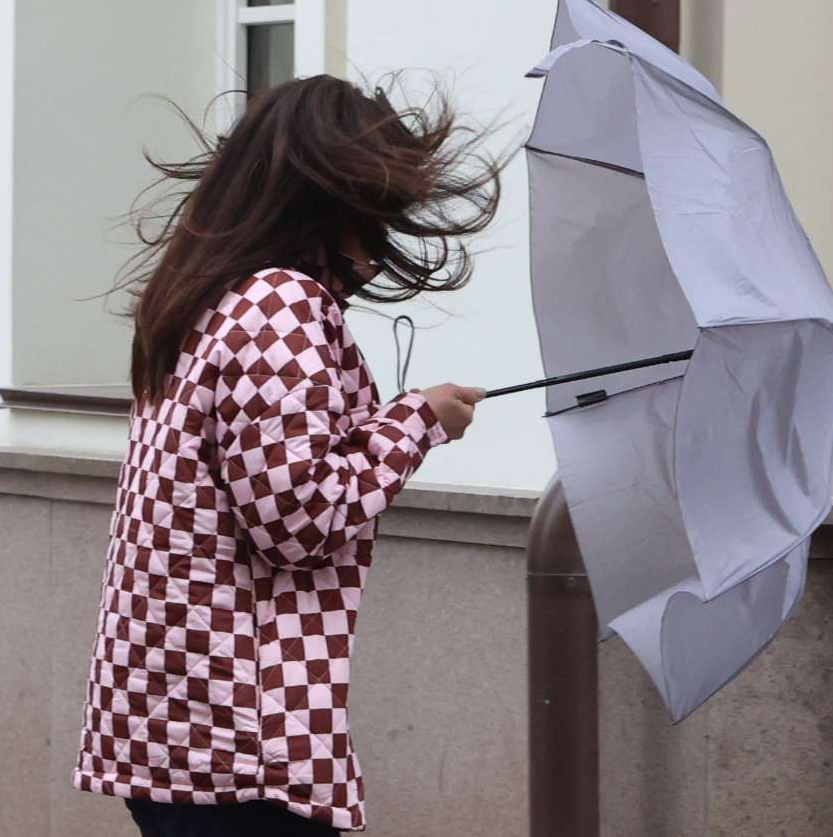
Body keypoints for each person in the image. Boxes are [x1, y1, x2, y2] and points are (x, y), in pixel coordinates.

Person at [71, 74, 507, 835]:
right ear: (329, 204)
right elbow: (297, 519)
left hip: (171, 724)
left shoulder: (203, 297)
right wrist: (418, 423)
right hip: (241, 737)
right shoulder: (279, 304)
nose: (380, 247)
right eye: (376, 213)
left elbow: (264, 477)